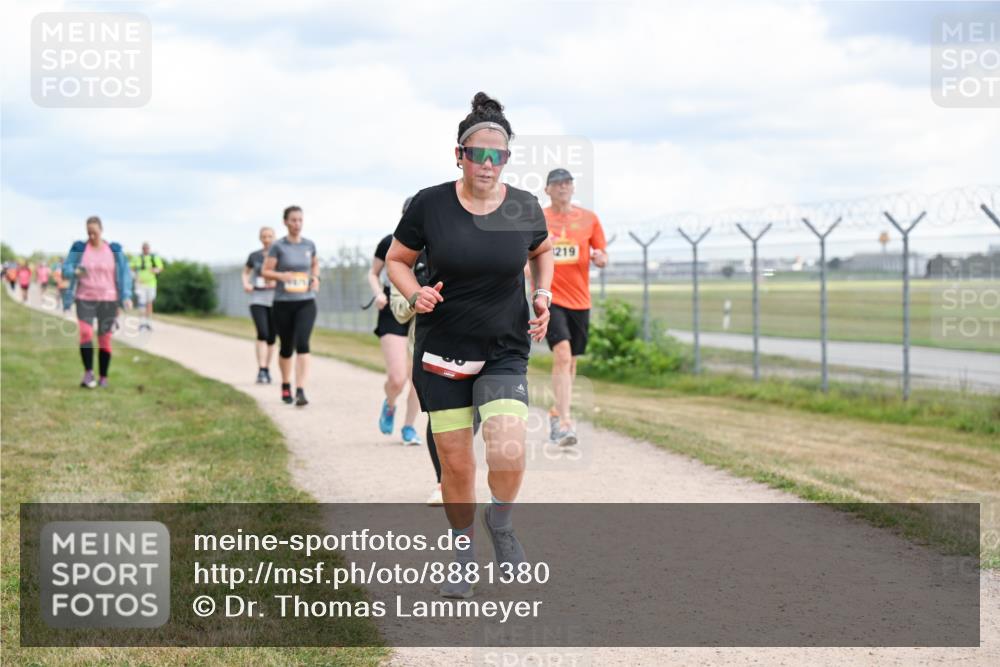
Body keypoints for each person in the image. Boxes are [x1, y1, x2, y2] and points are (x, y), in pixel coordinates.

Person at [387, 92, 554, 598]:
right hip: (443, 350)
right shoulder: (429, 204)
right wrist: (415, 294)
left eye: (497, 155)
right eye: (477, 153)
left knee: (508, 451)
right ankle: (463, 553)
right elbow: (397, 259)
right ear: (458, 154)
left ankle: (500, 526)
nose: (486, 163)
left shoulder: (523, 205)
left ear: (506, 159)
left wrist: (542, 293)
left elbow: (541, 249)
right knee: (457, 464)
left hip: (505, 345)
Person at [542, 168, 608, 447]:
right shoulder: (539, 219)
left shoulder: (589, 220)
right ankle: (565, 422)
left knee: (571, 362)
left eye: (567, 182)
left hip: (580, 300)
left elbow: (602, 253)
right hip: (550, 297)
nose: (563, 187)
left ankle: (556, 412)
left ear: (573, 187)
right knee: (563, 354)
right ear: (547, 190)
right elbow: (524, 254)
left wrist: (600, 257)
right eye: (557, 183)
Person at [388, 197, 443, 505]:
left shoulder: (449, 246)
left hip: (472, 339)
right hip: (422, 341)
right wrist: (416, 297)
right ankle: (443, 481)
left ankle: (456, 473)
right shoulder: (404, 258)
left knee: (474, 416)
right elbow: (399, 310)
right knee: (438, 413)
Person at [370, 213, 422, 446]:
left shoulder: (436, 246)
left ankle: (409, 427)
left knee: (418, 379)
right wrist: (379, 293)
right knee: (397, 378)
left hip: (422, 314)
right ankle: (390, 404)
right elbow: (373, 273)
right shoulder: (389, 242)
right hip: (393, 309)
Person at [62, 216, 133, 388]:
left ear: (101, 230)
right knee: (86, 333)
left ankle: (103, 377)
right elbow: (65, 269)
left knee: (104, 339)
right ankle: (88, 374)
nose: (91, 236)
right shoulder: (79, 249)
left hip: (109, 300)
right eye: (88, 233)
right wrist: (76, 271)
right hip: (84, 298)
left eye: (94, 233)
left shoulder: (114, 250)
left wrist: (126, 296)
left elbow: (124, 274)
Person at [261, 206, 319, 407]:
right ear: (285, 222)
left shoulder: (309, 245)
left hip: (306, 302)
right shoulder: (278, 246)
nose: (297, 224)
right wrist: (281, 276)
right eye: (293, 220)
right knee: (286, 347)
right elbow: (266, 271)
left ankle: (300, 389)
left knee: (303, 344)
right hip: (283, 303)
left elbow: (314, 265)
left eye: (300, 220)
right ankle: (286, 384)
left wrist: (315, 278)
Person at [243, 226, 277, 384]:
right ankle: (261, 368)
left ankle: (267, 368)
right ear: (260, 238)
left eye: (270, 236)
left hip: (276, 299)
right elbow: (245, 272)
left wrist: (276, 279)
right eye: (264, 236)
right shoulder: (254, 256)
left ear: (274, 237)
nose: (267, 239)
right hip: (258, 298)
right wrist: (246, 283)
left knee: (271, 337)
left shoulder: (279, 255)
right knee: (262, 333)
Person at [130, 242, 164, 331]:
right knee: (142, 303)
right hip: (140, 284)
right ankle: (142, 323)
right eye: (144, 248)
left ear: (149, 249)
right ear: (142, 249)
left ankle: (148, 323)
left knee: (149, 303)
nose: (145, 250)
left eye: (147, 248)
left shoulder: (154, 258)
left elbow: (160, 268)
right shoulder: (137, 258)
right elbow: (131, 268)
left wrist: (155, 270)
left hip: (151, 284)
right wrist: (135, 277)